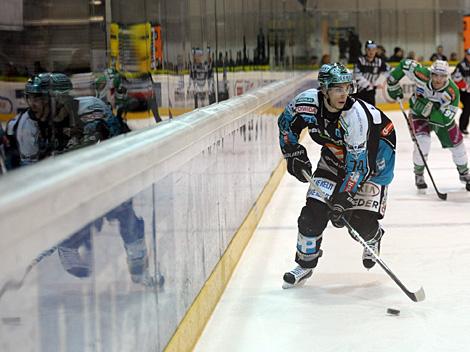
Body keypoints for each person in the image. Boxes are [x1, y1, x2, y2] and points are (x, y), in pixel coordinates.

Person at [278, 63, 396, 288]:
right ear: (323, 89)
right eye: (337, 89)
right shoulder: (306, 103)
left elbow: (359, 167)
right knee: (312, 215)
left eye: (346, 87)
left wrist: (344, 199)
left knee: (359, 222)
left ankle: (373, 236)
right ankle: (305, 264)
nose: (344, 94)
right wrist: (292, 152)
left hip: (376, 159)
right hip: (335, 156)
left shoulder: (356, 119)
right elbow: (286, 124)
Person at [387, 59, 470, 191]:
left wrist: (428, 108)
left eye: (442, 76)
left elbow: (445, 118)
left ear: (447, 77)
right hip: (418, 116)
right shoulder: (421, 74)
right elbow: (404, 65)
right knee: (423, 144)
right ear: (430, 73)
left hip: (441, 120)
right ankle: (419, 174)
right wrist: (392, 82)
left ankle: (464, 173)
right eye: (435, 74)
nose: (438, 79)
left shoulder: (452, 91)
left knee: (458, 145)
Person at [5, 72, 74, 168]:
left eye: (37, 99)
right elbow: (30, 169)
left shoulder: (55, 115)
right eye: (29, 98)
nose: (32, 104)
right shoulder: (26, 128)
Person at [353, 40, 389, 105]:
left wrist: (393, 80)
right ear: (365, 50)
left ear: (376, 50)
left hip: (370, 93)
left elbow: (389, 72)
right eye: (369, 49)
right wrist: (370, 85)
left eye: (373, 49)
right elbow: (357, 76)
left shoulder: (379, 62)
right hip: (358, 92)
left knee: (371, 112)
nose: (371, 52)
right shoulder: (360, 61)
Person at [451, 48, 470, 135]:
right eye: (469, 55)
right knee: (467, 108)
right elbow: (455, 78)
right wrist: (465, 86)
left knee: (467, 109)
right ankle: (462, 127)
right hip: (463, 92)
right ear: (466, 55)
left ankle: (463, 127)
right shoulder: (461, 65)